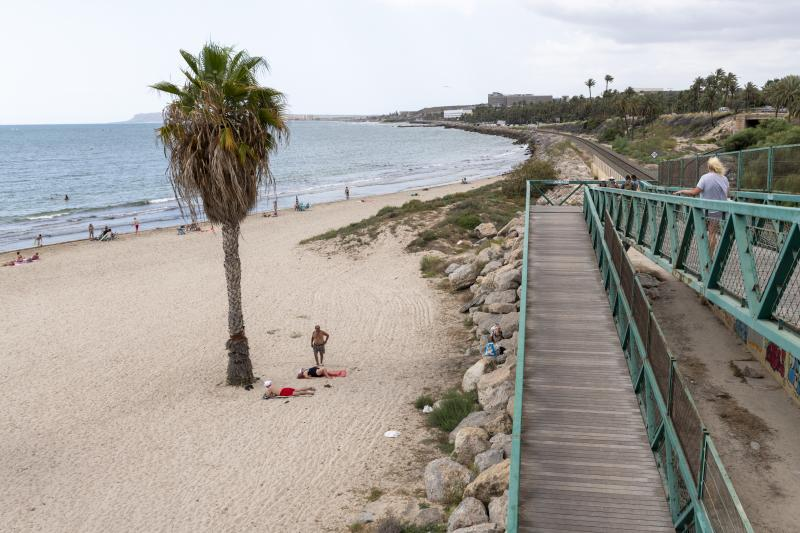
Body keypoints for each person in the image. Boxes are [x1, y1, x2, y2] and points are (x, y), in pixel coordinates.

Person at [675, 156, 729, 251]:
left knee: (701, 231)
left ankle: (703, 254)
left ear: (709, 166)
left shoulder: (705, 177)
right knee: (712, 233)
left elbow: (694, 192)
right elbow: (726, 194)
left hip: (704, 211)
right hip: (718, 211)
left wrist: (683, 191)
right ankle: (709, 257)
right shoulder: (724, 178)